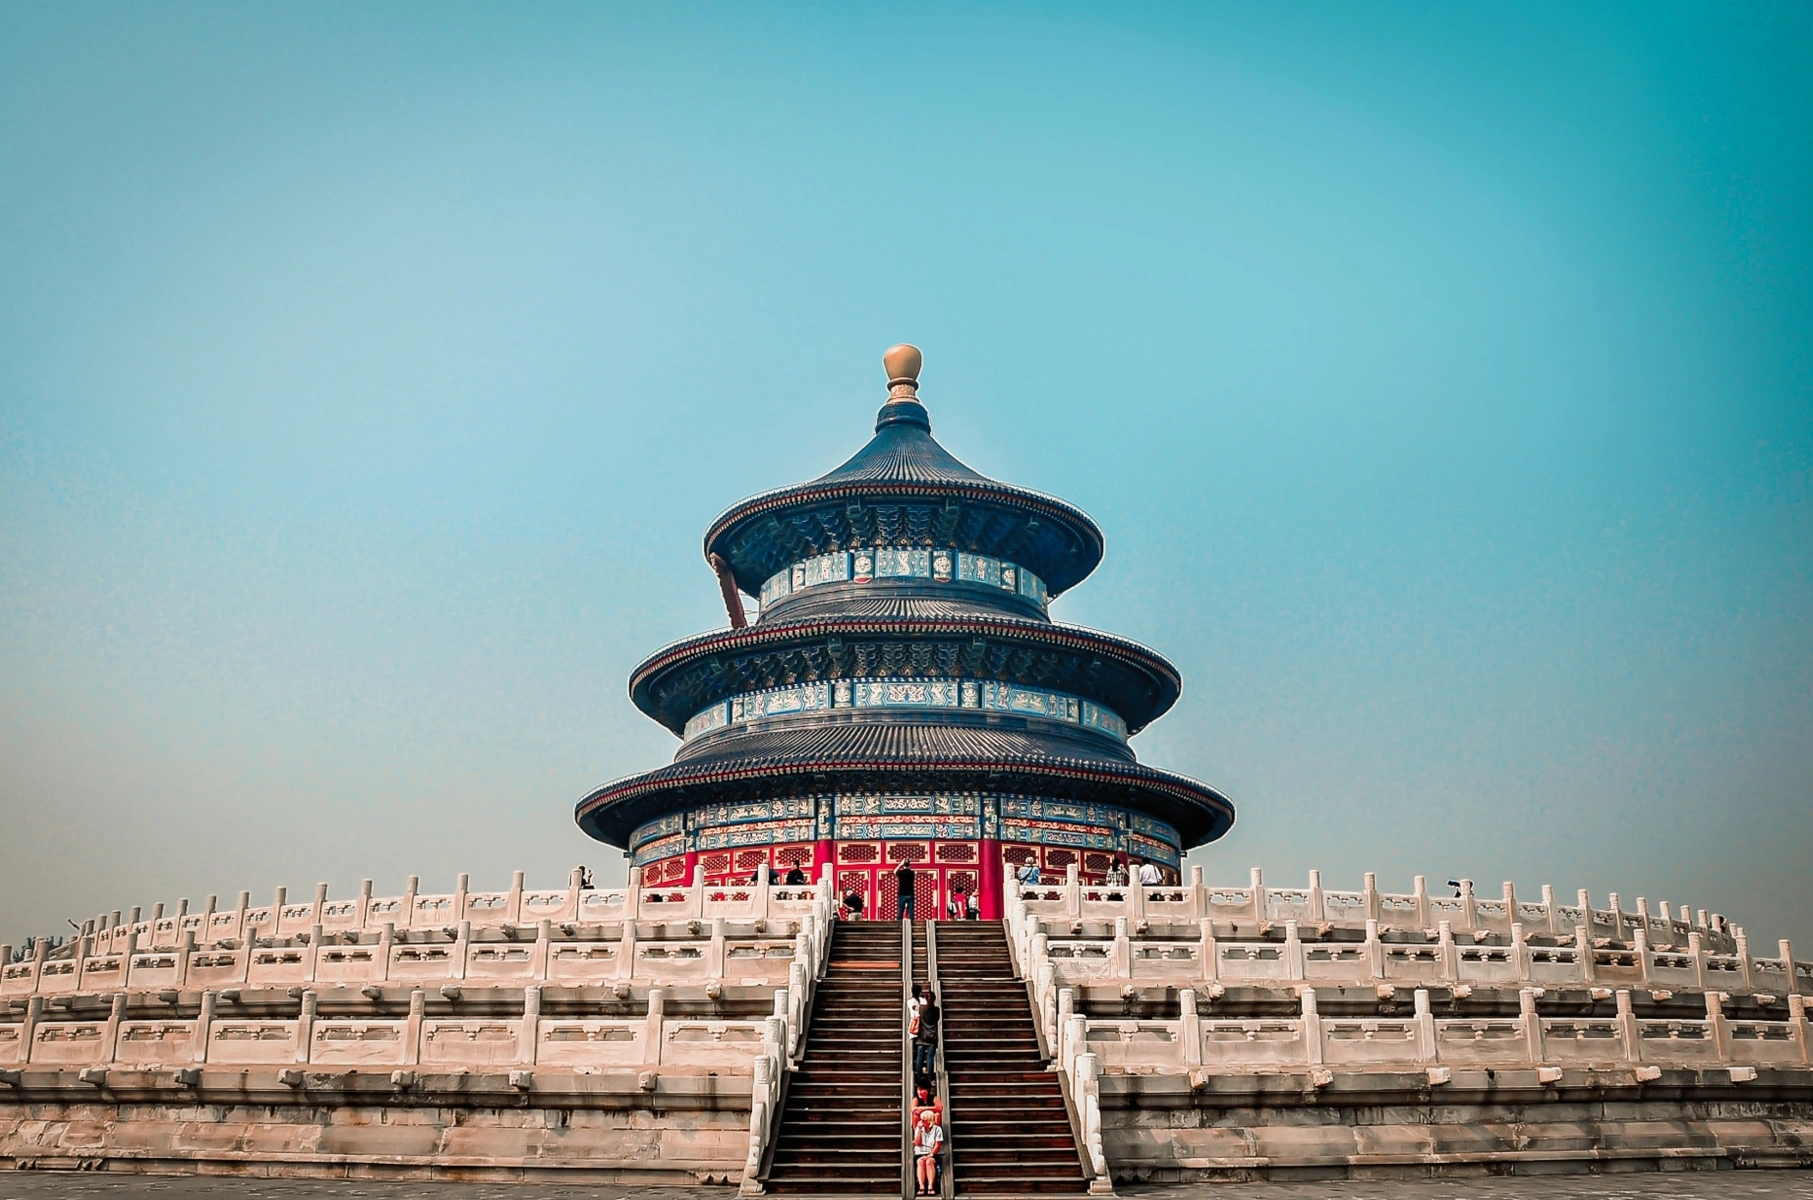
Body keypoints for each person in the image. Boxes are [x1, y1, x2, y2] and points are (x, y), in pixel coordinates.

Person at [913, 1106, 943, 1196]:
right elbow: (917, 1143)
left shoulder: (937, 1129)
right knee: (921, 1161)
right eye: (921, 1120)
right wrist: (919, 1131)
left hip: (933, 1153)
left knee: (929, 1161)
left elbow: (938, 1145)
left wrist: (931, 1154)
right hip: (920, 1153)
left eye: (923, 1120)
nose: (921, 1122)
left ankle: (930, 1186)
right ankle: (921, 1187)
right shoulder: (919, 1128)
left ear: (929, 1121)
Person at [913, 988, 939, 1078]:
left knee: (919, 1056)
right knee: (930, 1057)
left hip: (922, 1035)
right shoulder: (936, 1010)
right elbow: (936, 1020)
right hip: (932, 1036)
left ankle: (918, 1075)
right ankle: (930, 1076)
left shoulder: (922, 1008)